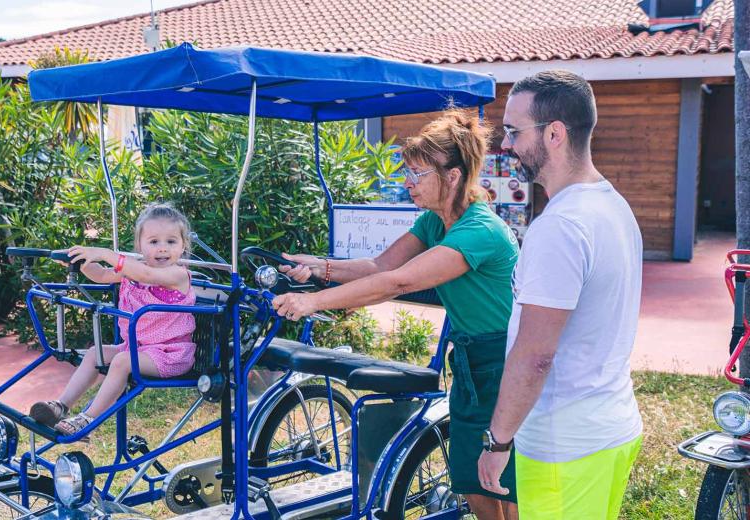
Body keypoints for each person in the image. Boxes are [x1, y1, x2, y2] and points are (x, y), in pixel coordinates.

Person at [272, 109, 520, 520]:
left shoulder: (480, 230)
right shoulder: (434, 222)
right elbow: (380, 267)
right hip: (471, 362)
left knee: (508, 485)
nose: (407, 183)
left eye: (418, 174)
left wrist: (312, 302)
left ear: (453, 176)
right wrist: (318, 267)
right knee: (469, 475)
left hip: (505, 362)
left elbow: (398, 283)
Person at [477, 70, 643, 519]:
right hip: (609, 427)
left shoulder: (560, 226)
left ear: (554, 133)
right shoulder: (613, 205)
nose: (506, 145)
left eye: (513, 131)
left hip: (562, 446)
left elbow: (535, 355)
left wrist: (498, 441)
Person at [29, 203, 197, 437]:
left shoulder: (177, 274)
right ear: (140, 245)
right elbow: (102, 275)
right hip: (139, 348)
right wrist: (80, 262)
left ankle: (87, 419)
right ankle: (61, 406)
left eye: (171, 241)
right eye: (153, 242)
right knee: (94, 353)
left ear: (183, 246)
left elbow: (147, 275)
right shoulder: (134, 269)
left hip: (171, 354)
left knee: (121, 362)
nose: (162, 249)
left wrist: (106, 254)